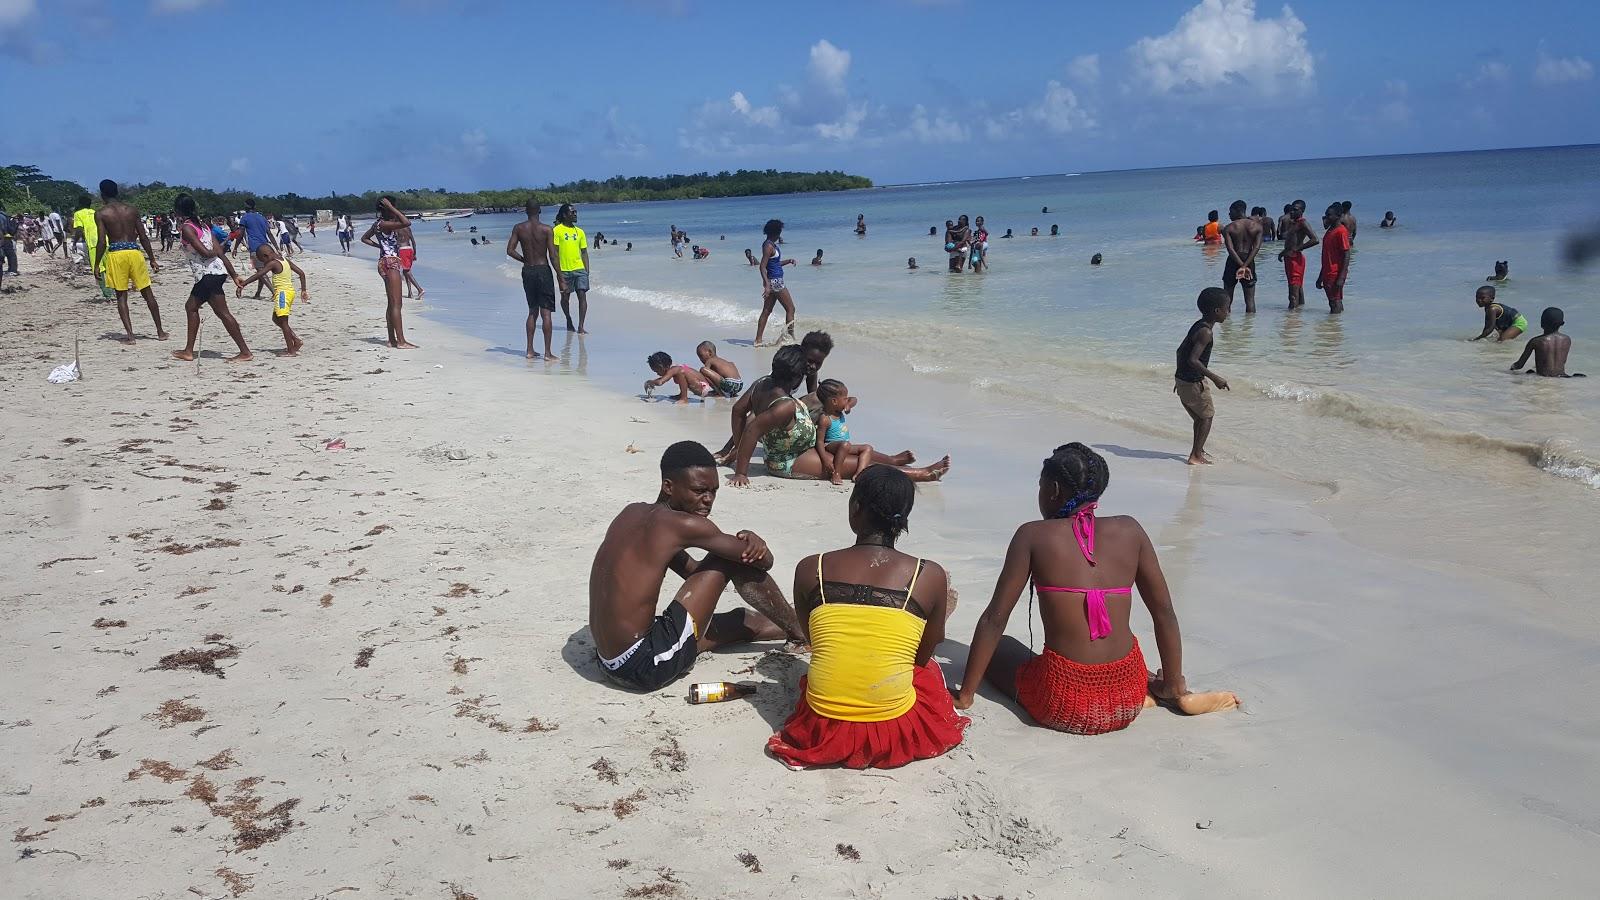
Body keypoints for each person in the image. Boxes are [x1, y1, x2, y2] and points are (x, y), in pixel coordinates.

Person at [952, 443, 1239, 733]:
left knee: (1003, 647)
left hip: (1062, 705)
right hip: (1127, 697)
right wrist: (1174, 681)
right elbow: (1164, 613)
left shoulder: (1032, 536)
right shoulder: (1130, 530)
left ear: (1053, 490)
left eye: (1040, 486)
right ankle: (1172, 690)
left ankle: (1143, 691)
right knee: (1120, 661)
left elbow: (995, 619)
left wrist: (965, 695)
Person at [766, 466, 967, 769]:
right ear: (904, 518)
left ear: (856, 509)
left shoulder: (811, 568)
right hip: (891, 724)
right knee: (926, 673)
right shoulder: (929, 574)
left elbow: (813, 638)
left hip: (823, 720)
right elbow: (922, 658)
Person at [587, 441, 806, 692]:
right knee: (726, 558)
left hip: (609, 661)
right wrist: (757, 542)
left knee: (740, 623)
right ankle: (800, 633)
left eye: (714, 491)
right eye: (699, 491)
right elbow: (763, 561)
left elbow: (694, 574)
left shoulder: (631, 513)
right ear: (668, 486)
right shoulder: (683, 525)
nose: (708, 500)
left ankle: (801, 625)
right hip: (644, 664)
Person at [728, 347, 949, 485]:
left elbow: (738, 411)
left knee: (860, 450)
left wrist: (737, 449)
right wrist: (741, 472)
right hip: (790, 459)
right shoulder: (783, 406)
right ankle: (921, 474)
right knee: (860, 465)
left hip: (804, 446)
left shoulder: (760, 384)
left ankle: (893, 460)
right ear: (795, 378)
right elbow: (752, 429)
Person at [170, 193, 251, 363]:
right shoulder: (204, 226)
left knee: (202, 309)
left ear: (177, 211)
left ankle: (244, 352)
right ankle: (189, 350)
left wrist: (231, 271)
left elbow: (206, 253)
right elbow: (219, 253)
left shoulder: (187, 228)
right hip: (217, 273)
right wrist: (233, 274)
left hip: (208, 275)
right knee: (200, 309)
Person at [94, 179, 168, 343]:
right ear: (117, 192)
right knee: (148, 293)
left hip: (116, 254)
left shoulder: (101, 213)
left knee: (121, 297)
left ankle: (130, 336)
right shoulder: (131, 210)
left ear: (102, 194)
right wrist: (152, 258)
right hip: (134, 252)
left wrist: (97, 264)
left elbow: (101, 242)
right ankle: (160, 332)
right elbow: (143, 236)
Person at [814, 379, 915, 486]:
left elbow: (854, 399)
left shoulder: (839, 411)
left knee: (867, 448)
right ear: (834, 402)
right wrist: (824, 459)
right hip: (831, 445)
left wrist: (848, 405)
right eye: (845, 399)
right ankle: (836, 473)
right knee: (845, 445)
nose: (847, 400)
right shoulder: (825, 419)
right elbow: (820, 441)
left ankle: (860, 473)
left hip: (845, 445)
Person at [1174, 288, 1230, 466]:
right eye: (1227, 308)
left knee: (1200, 417)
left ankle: (1199, 450)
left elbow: (1180, 351)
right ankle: (1195, 455)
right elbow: (1193, 359)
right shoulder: (1206, 332)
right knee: (1206, 417)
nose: (1229, 311)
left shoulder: (1198, 325)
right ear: (1217, 311)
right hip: (1193, 382)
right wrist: (1216, 378)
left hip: (1184, 380)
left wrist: (1179, 377)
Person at [505, 198, 560, 361]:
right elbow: (553, 255)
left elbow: (510, 250)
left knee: (532, 311)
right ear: (540, 210)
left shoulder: (519, 228)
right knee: (546, 313)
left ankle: (529, 350)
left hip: (528, 271)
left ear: (526, 210)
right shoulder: (547, 229)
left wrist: (524, 260)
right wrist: (560, 276)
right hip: (543, 270)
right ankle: (548, 353)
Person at [360, 196, 418, 349]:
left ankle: (392, 340)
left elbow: (364, 238)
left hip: (384, 261)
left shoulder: (378, 224)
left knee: (391, 303)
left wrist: (381, 247)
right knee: (397, 304)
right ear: (387, 208)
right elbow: (407, 222)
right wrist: (392, 208)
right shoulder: (385, 224)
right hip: (390, 262)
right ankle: (401, 341)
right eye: (393, 207)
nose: (395, 211)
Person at [234, 244, 309, 356]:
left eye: (262, 260)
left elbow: (259, 274)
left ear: (265, 256)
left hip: (283, 294)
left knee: (283, 322)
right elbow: (301, 273)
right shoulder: (284, 260)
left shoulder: (273, 263)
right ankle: (296, 340)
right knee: (276, 318)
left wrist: (243, 284)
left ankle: (291, 350)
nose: (264, 263)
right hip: (289, 292)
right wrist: (303, 290)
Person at [755, 219, 796, 346]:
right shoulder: (768, 246)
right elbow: (762, 266)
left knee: (766, 311)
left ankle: (758, 340)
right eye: (780, 232)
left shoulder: (770, 245)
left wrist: (788, 261)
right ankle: (790, 337)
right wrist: (767, 285)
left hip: (773, 281)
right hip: (776, 282)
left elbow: (775, 264)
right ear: (776, 232)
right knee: (791, 308)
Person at [1221, 200, 1263, 314]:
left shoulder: (1229, 228)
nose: (1229, 214)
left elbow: (1231, 249)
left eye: (1231, 212)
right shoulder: (1257, 227)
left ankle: (1227, 329)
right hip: (1249, 262)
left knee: (1227, 300)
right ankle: (1249, 329)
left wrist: (1241, 266)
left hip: (1233, 262)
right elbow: (1256, 248)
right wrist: (1245, 266)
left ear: (1238, 211)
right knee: (1250, 301)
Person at [553, 203, 590, 334]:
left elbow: (584, 252)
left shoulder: (580, 232)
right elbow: (555, 253)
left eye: (575, 212)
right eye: (572, 212)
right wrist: (558, 272)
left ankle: (581, 326)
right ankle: (568, 319)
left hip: (580, 269)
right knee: (565, 298)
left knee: (582, 295)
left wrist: (587, 271)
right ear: (564, 215)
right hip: (564, 270)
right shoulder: (557, 231)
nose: (575, 214)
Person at [1512, 308, 1582, 377]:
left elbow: (1519, 365)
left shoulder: (1536, 341)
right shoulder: (1567, 339)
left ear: (1541, 322)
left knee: (1529, 372)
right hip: (1562, 377)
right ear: (1562, 323)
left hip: (1544, 377)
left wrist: (1510, 369)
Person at [1276, 204, 1319, 310]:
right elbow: (1291, 242)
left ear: (1302, 211)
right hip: (1289, 258)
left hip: (1295, 259)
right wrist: (1282, 253)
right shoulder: (1293, 223)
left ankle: (1291, 320)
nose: (1291, 212)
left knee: (1293, 292)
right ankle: (1299, 314)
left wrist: (1298, 248)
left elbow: (1315, 239)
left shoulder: (1302, 223)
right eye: (1291, 210)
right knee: (1297, 287)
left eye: (1295, 210)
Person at [1315, 206, 1351, 313]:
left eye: (1329, 215)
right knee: (1334, 301)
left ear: (1338, 216)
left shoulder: (1341, 231)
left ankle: (1334, 327)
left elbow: (1346, 254)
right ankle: (1336, 324)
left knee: (1334, 302)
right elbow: (1327, 255)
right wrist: (1321, 276)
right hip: (1327, 271)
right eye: (1325, 215)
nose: (1326, 217)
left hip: (1335, 273)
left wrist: (1341, 276)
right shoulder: (1330, 230)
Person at [645, 351, 715, 403]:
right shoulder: (677, 367)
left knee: (681, 373)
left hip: (702, 388)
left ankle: (684, 398)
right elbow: (664, 379)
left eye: (657, 371)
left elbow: (660, 382)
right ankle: (682, 395)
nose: (657, 374)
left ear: (662, 367)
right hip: (703, 386)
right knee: (682, 372)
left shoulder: (676, 369)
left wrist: (650, 382)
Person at [239, 199, 273, 299]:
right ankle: (258, 294)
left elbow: (240, 234)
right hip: (266, 248)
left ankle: (274, 292)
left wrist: (236, 247)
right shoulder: (262, 217)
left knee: (260, 272)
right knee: (261, 272)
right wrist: (276, 248)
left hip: (255, 248)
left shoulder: (244, 218)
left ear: (247, 206)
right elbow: (269, 233)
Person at [71, 194, 98, 279]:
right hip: (102, 240)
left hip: (91, 242)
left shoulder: (78, 214)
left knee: (97, 270)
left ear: (80, 204)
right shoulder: (96, 212)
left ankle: (79, 267)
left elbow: (79, 230)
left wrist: (74, 243)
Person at [397, 221, 424, 299]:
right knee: (407, 272)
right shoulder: (408, 228)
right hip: (410, 249)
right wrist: (415, 253)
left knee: (406, 271)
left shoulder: (396, 229)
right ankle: (410, 293)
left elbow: (397, 242)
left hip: (402, 250)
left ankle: (419, 289)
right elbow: (413, 242)